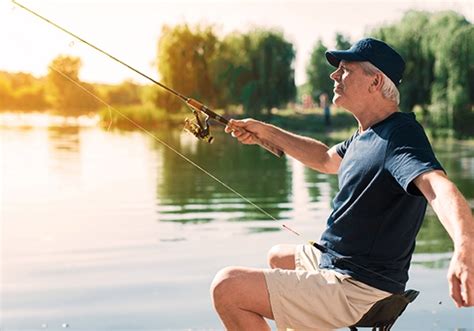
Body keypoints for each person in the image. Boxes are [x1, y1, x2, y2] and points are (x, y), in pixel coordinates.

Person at [211, 37, 474, 330]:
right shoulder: (368, 133)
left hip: (358, 287)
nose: (334, 75)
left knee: (227, 287)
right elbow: (324, 158)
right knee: (278, 257)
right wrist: (265, 132)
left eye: (345, 69)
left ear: (375, 82)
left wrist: (465, 248)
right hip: (339, 264)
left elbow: (438, 187)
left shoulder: (400, 137)